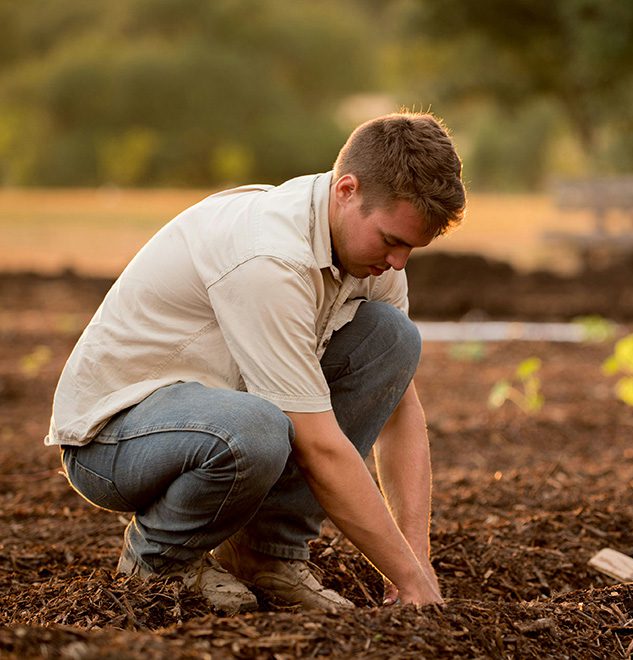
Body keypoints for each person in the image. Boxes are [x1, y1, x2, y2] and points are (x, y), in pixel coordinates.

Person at [45, 112, 466, 614]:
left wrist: (416, 563)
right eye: (391, 241)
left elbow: (399, 409)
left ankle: (266, 555)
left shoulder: (371, 258)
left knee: (392, 339)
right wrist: (404, 576)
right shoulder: (268, 257)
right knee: (258, 429)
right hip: (112, 439)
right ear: (347, 190)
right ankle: (160, 560)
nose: (398, 263)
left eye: (411, 248)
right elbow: (319, 448)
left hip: (217, 415)